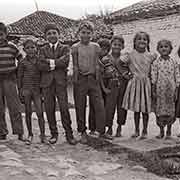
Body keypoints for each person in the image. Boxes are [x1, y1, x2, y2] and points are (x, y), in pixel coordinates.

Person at [72, 21, 113, 144]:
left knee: (99, 105)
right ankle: (82, 131)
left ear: (92, 34)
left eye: (88, 33)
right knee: (80, 106)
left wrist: (101, 79)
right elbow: (74, 65)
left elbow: (97, 64)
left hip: (93, 79)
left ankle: (101, 131)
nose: (86, 35)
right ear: (79, 33)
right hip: (80, 79)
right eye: (83, 32)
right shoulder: (75, 47)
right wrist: (75, 81)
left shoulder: (95, 47)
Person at [37, 23, 77, 145]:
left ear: (58, 34)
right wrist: (56, 64)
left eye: (54, 33)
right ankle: (54, 134)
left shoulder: (64, 48)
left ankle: (69, 134)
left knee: (64, 108)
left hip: (60, 83)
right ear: (45, 36)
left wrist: (50, 62)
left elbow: (65, 62)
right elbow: (40, 65)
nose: (52, 35)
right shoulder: (42, 49)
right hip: (47, 84)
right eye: (49, 33)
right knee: (49, 109)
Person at [121, 31, 157, 139]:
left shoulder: (151, 56)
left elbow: (154, 69)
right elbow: (120, 63)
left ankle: (145, 130)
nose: (142, 41)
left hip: (146, 84)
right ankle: (136, 130)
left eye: (144, 39)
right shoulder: (130, 55)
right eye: (139, 39)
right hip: (135, 84)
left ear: (148, 42)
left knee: (145, 109)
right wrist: (125, 73)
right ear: (134, 42)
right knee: (136, 109)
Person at [17, 39, 48, 145]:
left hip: (37, 91)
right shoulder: (22, 62)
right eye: (28, 48)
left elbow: (43, 76)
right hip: (26, 90)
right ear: (24, 50)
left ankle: (43, 135)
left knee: (40, 113)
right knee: (28, 112)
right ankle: (30, 134)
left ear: (36, 48)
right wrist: (20, 91)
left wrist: (43, 91)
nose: (30, 50)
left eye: (32, 47)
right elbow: (19, 77)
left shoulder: (40, 61)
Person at [0, 22, 25, 141]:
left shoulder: (12, 47)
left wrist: (17, 71)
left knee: (14, 106)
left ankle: (19, 132)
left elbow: (21, 59)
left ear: (5, 34)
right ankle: (2, 132)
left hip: (10, 79)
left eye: (0, 34)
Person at [104, 35, 132, 137]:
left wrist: (128, 75)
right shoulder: (106, 58)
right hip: (111, 85)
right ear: (111, 45)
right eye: (115, 44)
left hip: (123, 85)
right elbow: (103, 74)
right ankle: (109, 127)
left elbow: (131, 70)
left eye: (119, 45)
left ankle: (119, 127)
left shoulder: (125, 58)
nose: (117, 46)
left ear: (123, 46)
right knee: (109, 107)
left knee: (122, 107)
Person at [151, 39, 180, 139]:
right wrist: (154, 90)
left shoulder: (174, 62)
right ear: (158, 49)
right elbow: (154, 77)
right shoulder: (156, 63)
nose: (164, 48)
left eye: (166, 46)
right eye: (161, 47)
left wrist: (176, 89)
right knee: (159, 111)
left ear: (170, 49)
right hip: (160, 92)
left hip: (170, 91)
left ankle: (169, 131)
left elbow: (177, 76)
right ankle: (161, 131)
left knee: (170, 111)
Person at [88, 38, 111, 135]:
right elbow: (99, 77)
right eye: (102, 48)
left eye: (106, 49)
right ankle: (92, 128)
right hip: (96, 87)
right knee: (93, 108)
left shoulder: (107, 60)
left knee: (103, 108)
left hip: (104, 87)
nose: (104, 51)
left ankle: (101, 128)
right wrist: (104, 88)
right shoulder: (94, 60)